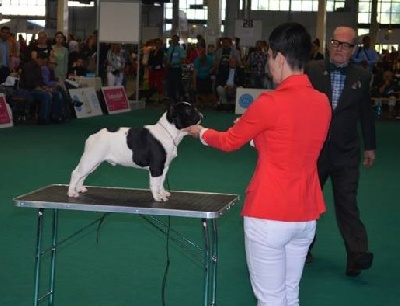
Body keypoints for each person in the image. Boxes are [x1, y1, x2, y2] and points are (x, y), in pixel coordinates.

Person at [184, 22, 331, 306]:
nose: (268, 65)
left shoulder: (269, 102)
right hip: (305, 214)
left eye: (269, 58)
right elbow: (291, 143)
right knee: (290, 294)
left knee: (270, 299)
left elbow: (228, 142)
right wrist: (257, 137)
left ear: (279, 57)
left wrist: (200, 132)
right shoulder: (322, 102)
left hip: (269, 212)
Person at [305, 26, 376, 277]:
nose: (339, 48)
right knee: (308, 203)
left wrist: (370, 145)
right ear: (328, 44)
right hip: (314, 151)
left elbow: (366, 114)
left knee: (347, 203)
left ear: (354, 50)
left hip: (346, 152)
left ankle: (357, 255)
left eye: (346, 45)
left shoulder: (363, 76)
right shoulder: (312, 70)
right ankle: (304, 249)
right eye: (336, 43)